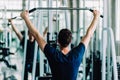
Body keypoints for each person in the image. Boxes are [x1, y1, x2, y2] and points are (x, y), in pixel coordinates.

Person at [20, 10, 100, 80]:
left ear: (58, 41)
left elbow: (37, 35)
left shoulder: (53, 54)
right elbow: (89, 34)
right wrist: (96, 17)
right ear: (70, 41)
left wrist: (25, 17)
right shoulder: (77, 55)